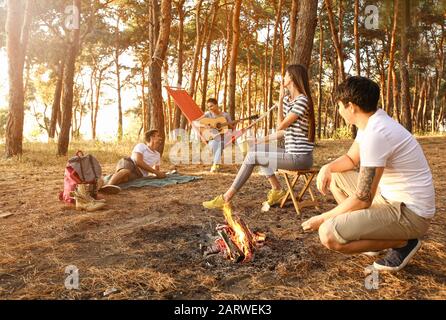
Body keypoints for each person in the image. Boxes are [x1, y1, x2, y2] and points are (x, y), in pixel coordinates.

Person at [301, 76, 435, 272]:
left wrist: (323, 218)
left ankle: (402, 242)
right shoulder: (371, 123)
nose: (338, 111)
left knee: (328, 233)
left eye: (339, 106)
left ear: (351, 106)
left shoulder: (376, 134)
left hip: (411, 214)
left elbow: (363, 199)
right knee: (337, 176)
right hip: (391, 200)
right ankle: (368, 233)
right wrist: (327, 167)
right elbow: (350, 159)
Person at [203, 64, 315, 209]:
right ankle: (278, 190)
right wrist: (259, 140)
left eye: (285, 75)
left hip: (300, 158)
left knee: (253, 156)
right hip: (291, 153)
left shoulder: (302, 100)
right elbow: (283, 132)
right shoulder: (291, 101)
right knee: (256, 148)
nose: (283, 78)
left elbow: (280, 126)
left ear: (292, 77)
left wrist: (280, 100)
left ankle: (226, 198)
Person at [101, 130, 167, 192]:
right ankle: (108, 186)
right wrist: (155, 172)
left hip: (139, 174)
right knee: (125, 172)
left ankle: (102, 185)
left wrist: (160, 174)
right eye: (158, 136)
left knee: (125, 179)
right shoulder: (141, 146)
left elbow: (156, 171)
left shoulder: (157, 155)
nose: (160, 138)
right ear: (152, 137)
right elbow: (138, 161)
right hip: (130, 163)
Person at [198, 98, 237, 173]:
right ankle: (217, 164)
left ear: (216, 105)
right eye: (208, 107)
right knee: (213, 144)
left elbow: (231, 128)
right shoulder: (208, 114)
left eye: (211, 106)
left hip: (224, 137)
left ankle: (215, 165)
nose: (210, 108)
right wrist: (206, 126)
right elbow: (195, 122)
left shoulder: (225, 115)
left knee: (220, 143)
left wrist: (233, 124)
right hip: (212, 137)